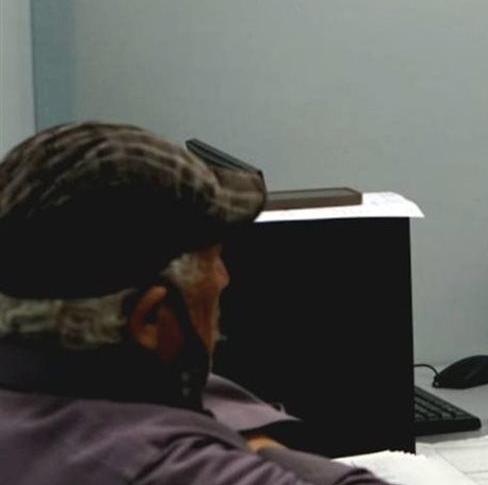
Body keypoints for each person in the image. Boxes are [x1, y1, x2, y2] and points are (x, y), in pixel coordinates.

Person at [0, 122, 388, 485]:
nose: (224, 277)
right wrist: (258, 448)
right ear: (151, 320)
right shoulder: (157, 466)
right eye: (213, 260)